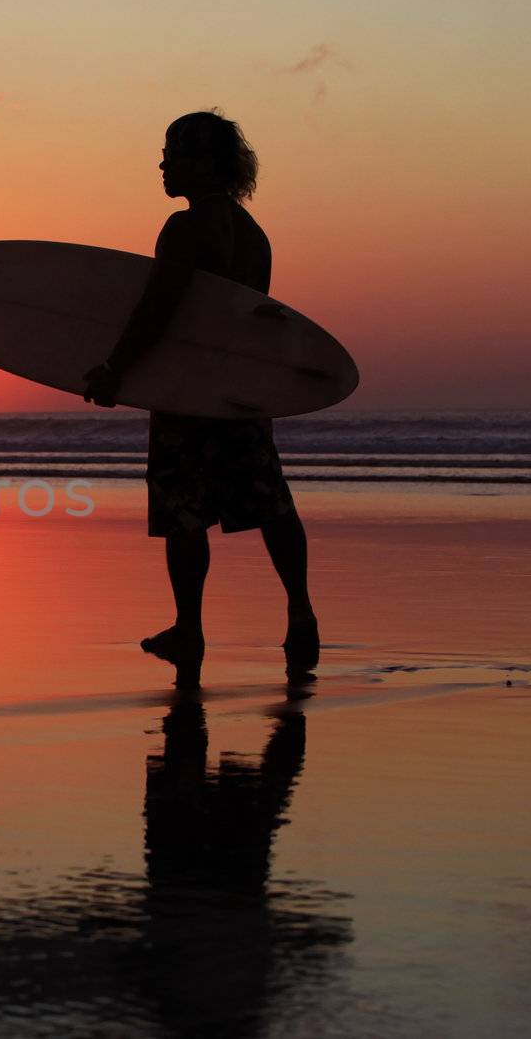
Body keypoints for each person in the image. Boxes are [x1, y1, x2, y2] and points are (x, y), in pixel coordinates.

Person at [82, 111, 318, 680]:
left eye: (175, 153)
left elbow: (159, 308)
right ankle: (301, 611)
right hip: (238, 394)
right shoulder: (254, 235)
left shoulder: (185, 228)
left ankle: (189, 630)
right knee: (270, 501)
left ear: (207, 164)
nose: (163, 164)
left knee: (183, 510)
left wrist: (116, 370)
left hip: (188, 391)